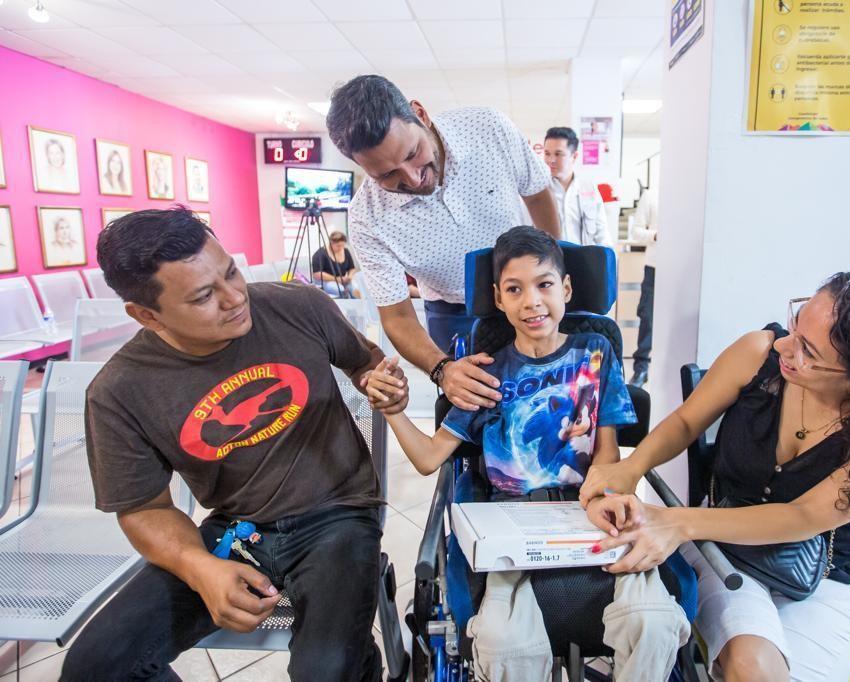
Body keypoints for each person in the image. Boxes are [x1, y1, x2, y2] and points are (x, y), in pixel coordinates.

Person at [60, 207, 405, 682]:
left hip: (339, 514)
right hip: (237, 531)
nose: (235, 298)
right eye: (204, 296)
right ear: (146, 315)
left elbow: (363, 362)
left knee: (325, 668)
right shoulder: (120, 390)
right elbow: (143, 509)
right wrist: (199, 566)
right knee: (95, 668)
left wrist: (380, 382)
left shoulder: (297, 306)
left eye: (231, 273)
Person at [579, 266, 850, 682]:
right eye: (796, 325)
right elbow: (686, 422)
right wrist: (629, 467)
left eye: (809, 352)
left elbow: (803, 517)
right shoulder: (757, 353)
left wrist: (675, 521)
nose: (784, 346)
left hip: (826, 573)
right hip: (723, 547)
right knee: (752, 669)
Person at [366, 226, 689, 681]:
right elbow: (428, 458)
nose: (532, 301)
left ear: (567, 289)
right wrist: (396, 412)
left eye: (544, 285)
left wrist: (609, 495)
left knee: (654, 621)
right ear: (498, 298)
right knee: (503, 643)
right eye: (515, 290)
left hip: (590, 511)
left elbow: (607, 453)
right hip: (510, 523)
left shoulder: (595, 353)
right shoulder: (484, 374)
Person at [326, 75, 561, 415]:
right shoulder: (367, 217)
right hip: (453, 311)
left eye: (413, 153)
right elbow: (398, 317)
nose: (412, 178)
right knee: (472, 412)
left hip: (527, 292)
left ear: (420, 114)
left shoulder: (487, 128)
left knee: (546, 401)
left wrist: (552, 272)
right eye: (387, 175)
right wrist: (442, 369)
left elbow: (538, 194)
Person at [543, 127, 611, 246]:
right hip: (549, 261)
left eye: (558, 154)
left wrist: (609, 260)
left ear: (574, 156)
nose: (551, 160)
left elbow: (602, 233)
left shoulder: (589, 188)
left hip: (583, 260)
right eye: (547, 154)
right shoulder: (539, 191)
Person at [629, 184, 659, 387]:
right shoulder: (651, 194)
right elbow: (636, 231)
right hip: (654, 266)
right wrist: (654, 236)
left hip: (682, 267)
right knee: (647, 317)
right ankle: (641, 369)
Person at [311, 231, 358, 298]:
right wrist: (337, 279)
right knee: (341, 290)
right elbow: (317, 274)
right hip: (326, 281)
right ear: (331, 243)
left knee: (355, 290)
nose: (341, 248)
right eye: (338, 246)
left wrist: (350, 276)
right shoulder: (320, 254)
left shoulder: (345, 251)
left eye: (343, 245)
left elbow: (352, 268)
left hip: (343, 280)